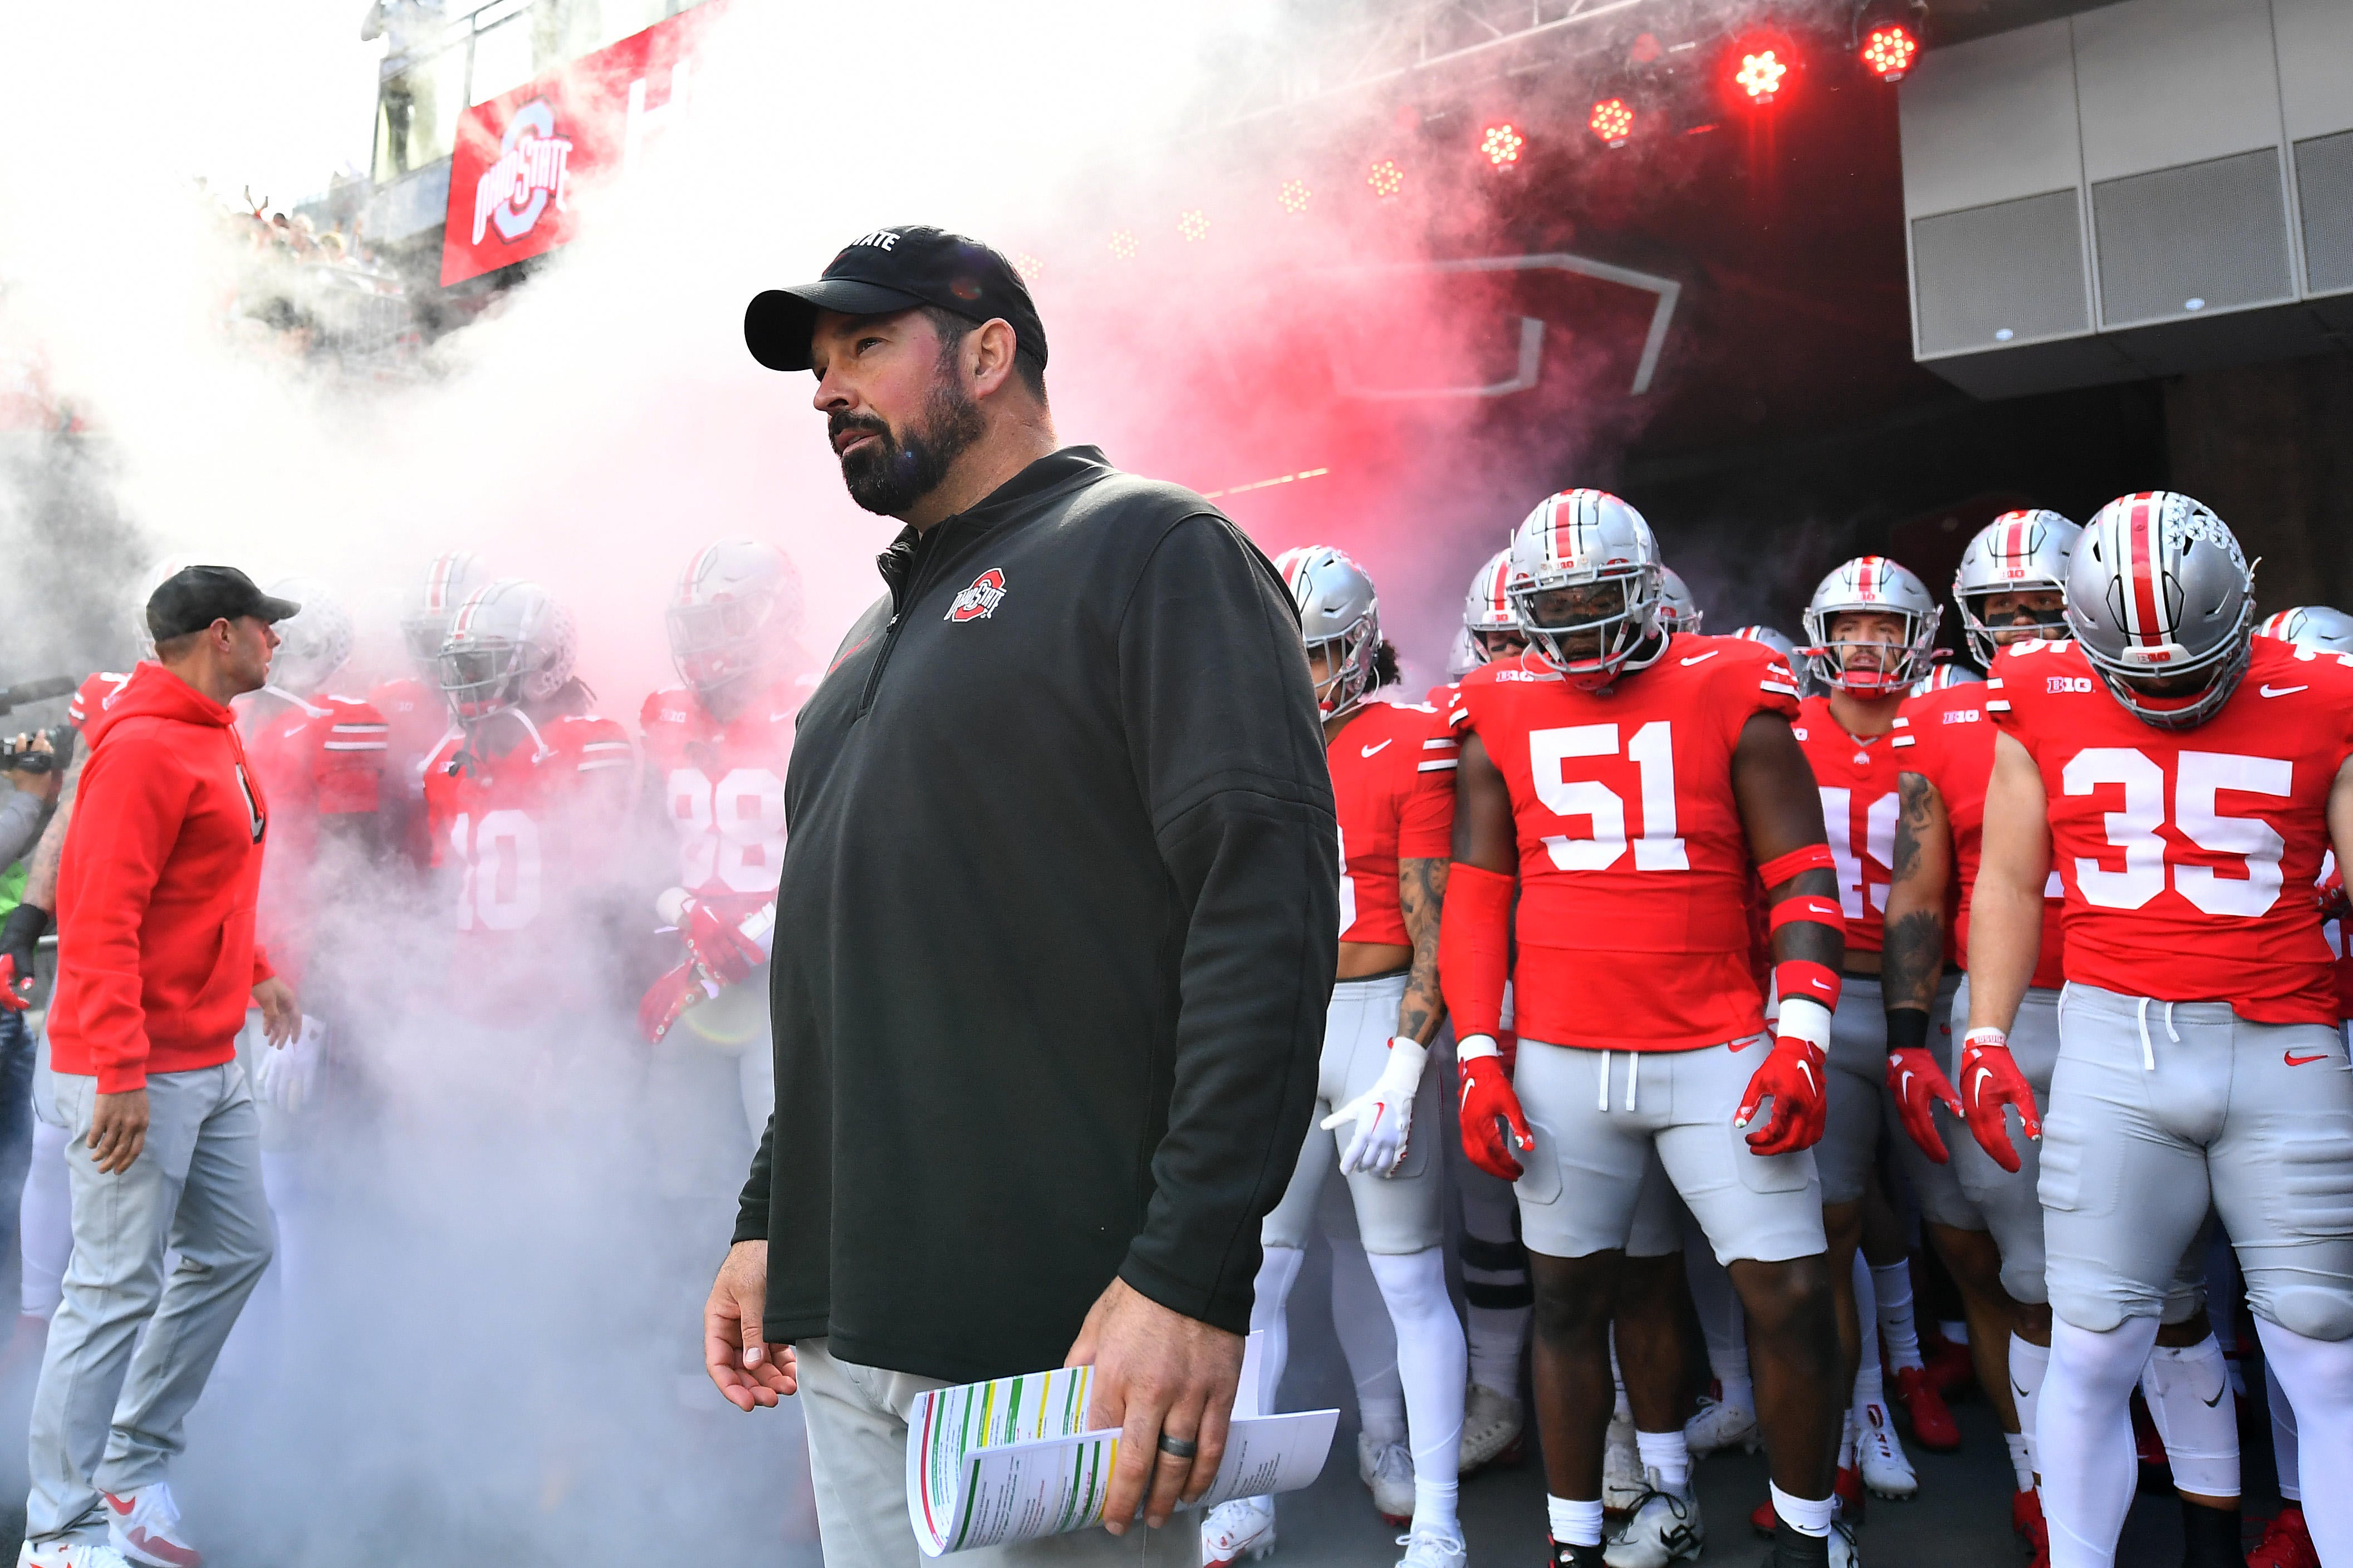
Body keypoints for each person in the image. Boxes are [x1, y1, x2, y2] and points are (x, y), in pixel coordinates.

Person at [714, 224, 1336, 1568]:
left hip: (1056, 1331)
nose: (827, 391)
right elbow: (834, 965)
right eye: (816, 366)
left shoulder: (1152, 548)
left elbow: (1264, 919)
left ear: (988, 353)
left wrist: (1188, 1273)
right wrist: (773, 1214)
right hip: (847, 1316)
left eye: (865, 346)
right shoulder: (859, 645)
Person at [1439, 488, 1849, 1568]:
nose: (1576, 626)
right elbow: (1477, 898)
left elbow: (1804, 879)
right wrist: (1480, 1055)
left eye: (1596, 599)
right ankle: (1585, 1536)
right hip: (1567, 1051)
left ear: (1649, 590)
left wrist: (1801, 1034)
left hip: (1715, 1043)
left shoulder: (1733, 685)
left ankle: (1808, 1534)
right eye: (1554, 605)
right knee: (1572, 1300)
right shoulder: (1492, 703)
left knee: (1792, 1290)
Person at [1963, 492, 2353, 1568]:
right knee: (2091, 1349)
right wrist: (1985, 1033)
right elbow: (2007, 874)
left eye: (2192, 666)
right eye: (2140, 674)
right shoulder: (2036, 687)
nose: (2169, 692)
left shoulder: (2326, 692)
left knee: (2323, 1356)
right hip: (2113, 1048)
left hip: (2284, 1048)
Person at [23, 566, 299, 1568]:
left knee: (237, 1248)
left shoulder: (210, 730)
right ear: (220, 633)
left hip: (208, 1052)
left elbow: (206, 883)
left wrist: (257, 972)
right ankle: (58, 1529)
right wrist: (121, 1073)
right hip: (136, 1066)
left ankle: (128, 1464)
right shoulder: (143, 746)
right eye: (267, 627)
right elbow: (99, 919)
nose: (279, 641)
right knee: (109, 1289)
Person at [1200, 547, 1464, 1568]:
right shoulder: (1237, 740)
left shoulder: (1408, 740)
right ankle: (1246, 1498)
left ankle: (1436, 1513)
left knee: (1404, 1276)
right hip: (1275, 1020)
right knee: (1255, 1278)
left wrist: (1408, 1056)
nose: (1290, 674)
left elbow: (1437, 920)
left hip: (1369, 1018)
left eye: (1310, 654)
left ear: (1358, 648)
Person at [1788, 557, 1973, 1510]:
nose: (1865, 645)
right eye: (1849, 626)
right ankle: (1862, 1414)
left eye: (1886, 627)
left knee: (1972, 1231)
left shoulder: (1950, 722)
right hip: (1818, 1003)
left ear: (1920, 636)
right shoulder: (1779, 727)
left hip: (1929, 1005)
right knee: (1831, 1230)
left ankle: (2023, 1449)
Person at [636, 538, 815, 1138]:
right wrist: (684, 910)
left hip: (795, 970)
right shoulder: (667, 714)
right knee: (680, 1157)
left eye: (725, 621)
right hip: (696, 965)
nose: (706, 643)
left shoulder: (820, 699)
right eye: (696, 627)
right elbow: (636, 852)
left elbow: (853, 853)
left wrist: (758, 931)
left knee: (781, 1157)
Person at [421, 578, 634, 1018]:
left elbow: (603, 894)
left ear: (546, 661)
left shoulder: (587, 744)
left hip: (556, 1001)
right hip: (472, 997)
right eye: (464, 666)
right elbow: (445, 896)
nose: (470, 680)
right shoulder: (446, 760)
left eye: (483, 664)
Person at [1437, 548, 1533, 1476]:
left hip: (1581, 1003)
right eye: (1496, 640)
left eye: (1522, 637)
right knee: (1487, 1213)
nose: (1510, 656)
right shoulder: (1451, 724)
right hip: (1487, 999)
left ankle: (1626, 1418)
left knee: (1606, 1234)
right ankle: (1498, 1390)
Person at [371, 550, 491, 872]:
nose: (436, 653)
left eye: (445, 636)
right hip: (406, 876)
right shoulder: (388, 702)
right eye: (426, 638)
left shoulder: (509, 710)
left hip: (474, 879)